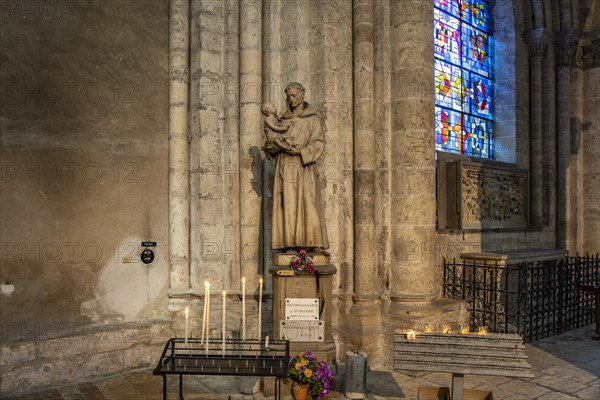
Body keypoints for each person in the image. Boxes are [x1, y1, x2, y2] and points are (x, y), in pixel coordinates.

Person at [264, 82, 329, 253]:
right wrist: (273, 147)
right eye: (288, 96)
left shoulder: (312, 119)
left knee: (309, 204)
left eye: (294, 95)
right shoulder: (281, 120)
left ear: (302, 94)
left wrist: (300, 151)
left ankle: (312, 243)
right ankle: (290, 244)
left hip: (303, 166)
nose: (291, 99)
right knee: (289, 205)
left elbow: (318, 143)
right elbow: (272, 142)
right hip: (285, 166)